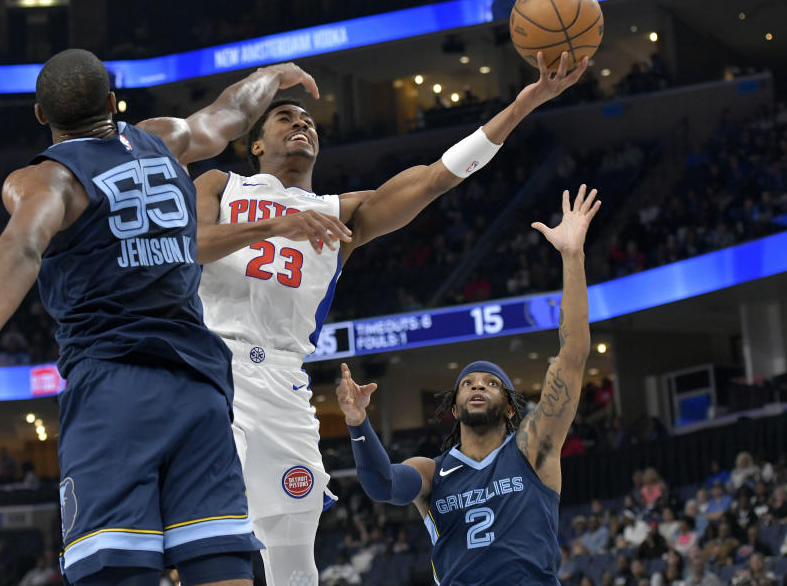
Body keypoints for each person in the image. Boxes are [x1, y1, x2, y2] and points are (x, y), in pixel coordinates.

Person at [0, 49, 322, 586]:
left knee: (119, 568)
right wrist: (271, 76)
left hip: (113, 388)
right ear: (111, 102)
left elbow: (21, 249)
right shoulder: (166, 138)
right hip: (200, 387)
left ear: (41, 114)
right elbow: (231, 113)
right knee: (219, 565)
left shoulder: (46, 180)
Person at [195, 50, 589, 585]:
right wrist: (275, 226)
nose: (302, 125)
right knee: (193, 526)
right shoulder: (219, 185)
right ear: (256, 143)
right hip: (209, 365)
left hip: (281, 382)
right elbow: (189, 247)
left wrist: (526, 102)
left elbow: (435, 179)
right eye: (286, 118)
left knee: (292, 552)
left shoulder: (344, 213)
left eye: (308, 120)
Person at [335, 183, 601, 584]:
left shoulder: (532, 449)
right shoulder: (430, 472)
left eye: (491, 383)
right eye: (469, 383)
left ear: (510, 407)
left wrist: (572, 255)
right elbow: (382, 484)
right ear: (455, 408)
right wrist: (357, 422)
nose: (478, 386)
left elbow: (574, 353)